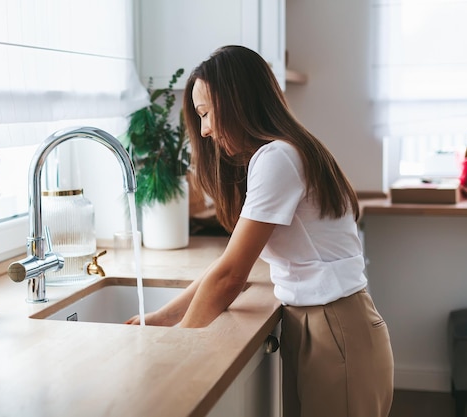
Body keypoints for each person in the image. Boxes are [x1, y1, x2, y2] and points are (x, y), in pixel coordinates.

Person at [126, 45, 394, 417]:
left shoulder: (276, 159)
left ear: (235, 101)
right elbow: (227, 264)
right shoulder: (285, 151)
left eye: (205, 114)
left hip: (334, 329)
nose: (203, 130)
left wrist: (180, 344)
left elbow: (230, 276)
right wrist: (163, 319)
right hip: (325, 325)